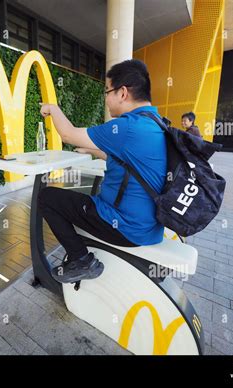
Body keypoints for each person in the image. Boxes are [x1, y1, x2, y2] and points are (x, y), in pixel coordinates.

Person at [38, 59, 166, 283]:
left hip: (126, 226)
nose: (106, 99)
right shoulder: (156, 122)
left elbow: (67, 134)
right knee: (82, 197)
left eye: (107, 91)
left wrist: (53, 108)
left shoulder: (127, 126)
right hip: (149, 225)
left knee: (47, 196)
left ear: (122, 93)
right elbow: (130, 161)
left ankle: (81, 260)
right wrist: (92, 150)